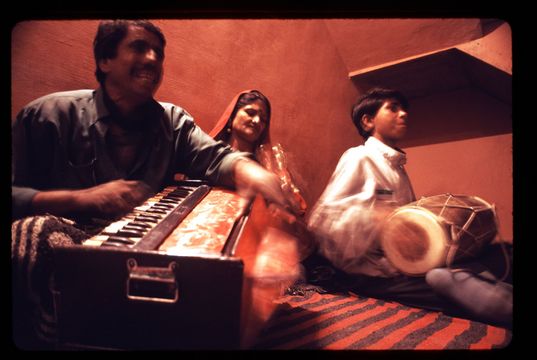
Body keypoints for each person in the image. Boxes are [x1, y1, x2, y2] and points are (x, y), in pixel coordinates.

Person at [11, 20, 294, 349]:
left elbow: (217, 159)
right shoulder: (47, 116)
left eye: (158, 53)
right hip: (69, 236)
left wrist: (257, 175)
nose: (152, 59)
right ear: (105, 60)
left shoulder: (173, 123)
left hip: (141, 249)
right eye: (139, 47)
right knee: (37, 234)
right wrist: (80, 199)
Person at [306, 87, 513, 328]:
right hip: (372, 274)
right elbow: (322, 221)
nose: (403, 114)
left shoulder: (398, 169)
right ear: (368, 120)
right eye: (393, 108)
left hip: (404, 265)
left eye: (404, 109)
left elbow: (408, 226)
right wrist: (375, 218)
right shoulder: (358, 157)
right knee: (444, 278)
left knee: (497, 254)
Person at [209, 89, 307, 216]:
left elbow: (296, 207)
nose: (257, 121)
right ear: (232, 116)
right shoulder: (211, 155)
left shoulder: (273, 165)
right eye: (250, 112)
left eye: (263, 119)